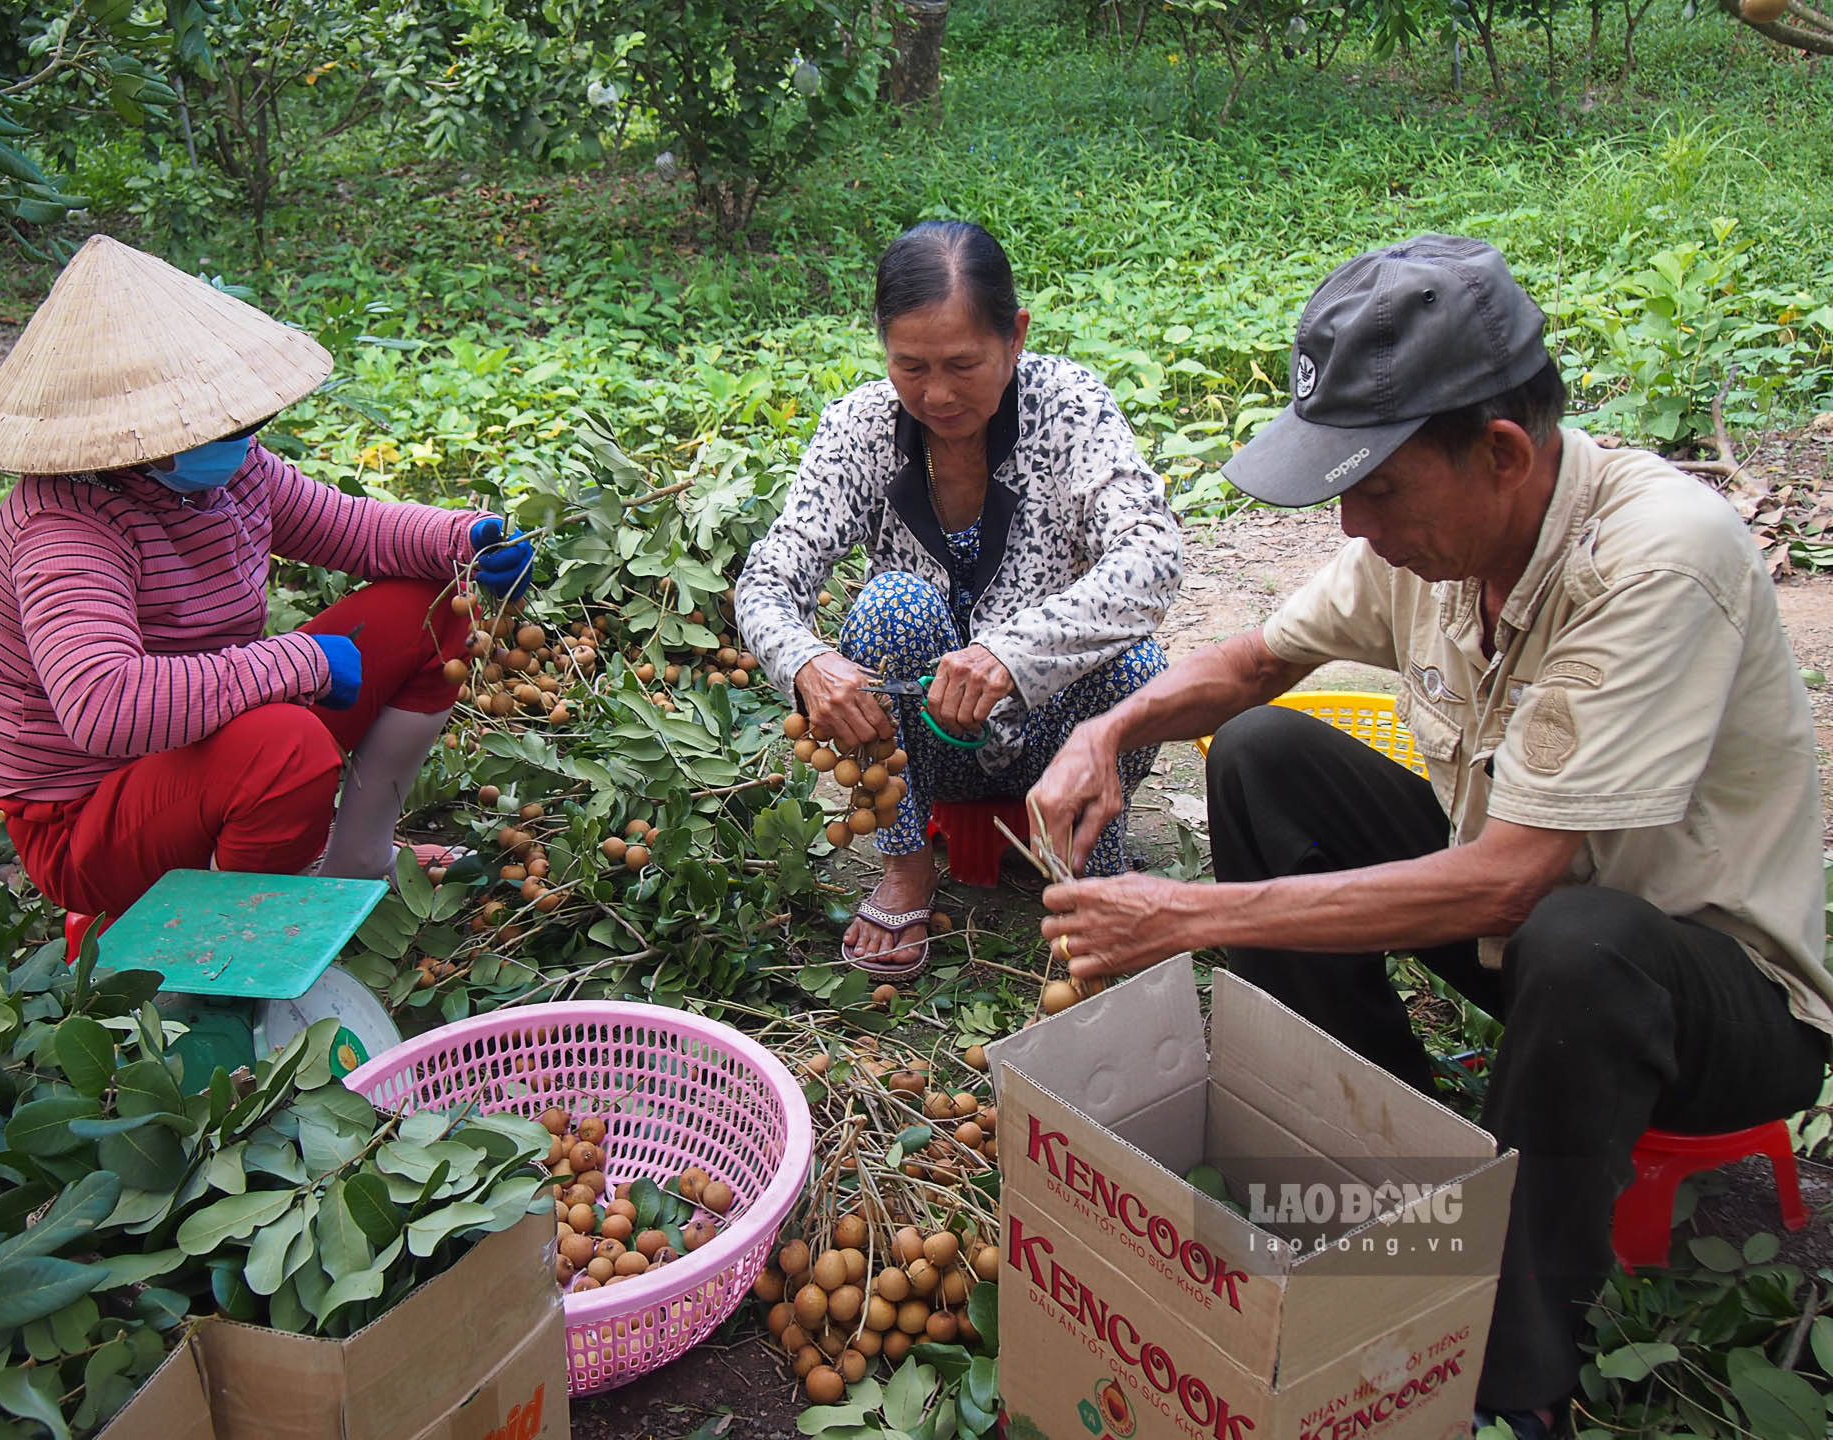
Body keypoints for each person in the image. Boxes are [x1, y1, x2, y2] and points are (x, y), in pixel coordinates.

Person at [1029, 234, 1833, 1439]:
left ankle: (1508, 1381)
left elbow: (1512, 884)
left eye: (1380, 486)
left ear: (1501, 453)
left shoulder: (1660, 558)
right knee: (1264, 754)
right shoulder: (1436, 550)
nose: (1355, 522)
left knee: (1582, 939)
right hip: (1537, 945)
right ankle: (1376, 1197)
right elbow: (1254, 665)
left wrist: (1187, 918)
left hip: (1709, 998)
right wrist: (1108, 727)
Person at [0, 234, 533, 921]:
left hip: (200, 741)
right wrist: (297, 661)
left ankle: (359, 861)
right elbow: (104, 706)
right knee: (284, 751)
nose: (242, 435)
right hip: (90, 817)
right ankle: (237, 941)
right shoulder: (65, 531)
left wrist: (462, 538)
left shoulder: (228, 472)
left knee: (434, 605)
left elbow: (350, 528)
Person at [736, 221, 1182, 980]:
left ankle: (1082, 864)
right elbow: (767, 580)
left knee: (1137, 665)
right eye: (909, 365)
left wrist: (1013, 654)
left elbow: (1153, 557)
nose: (936, 394)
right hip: (931, 750)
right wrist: (808, 662)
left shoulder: (1068, 408)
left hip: (1058, 733)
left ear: (1016, 337)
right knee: (889, 610)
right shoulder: (861, 429)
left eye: (963, 365)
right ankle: (909, 864)